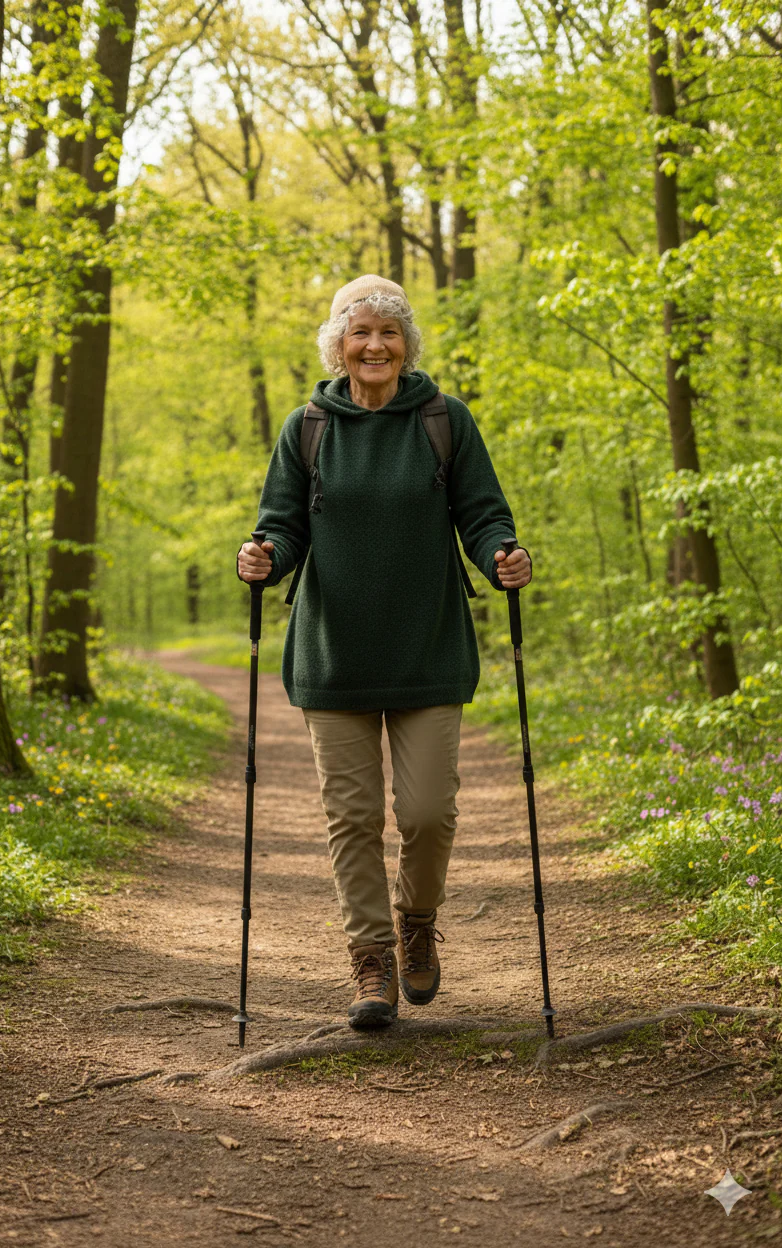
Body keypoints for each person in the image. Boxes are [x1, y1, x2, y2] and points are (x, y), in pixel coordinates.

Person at [237, 274, 531, 1029]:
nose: (374, 345)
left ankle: (416, 922)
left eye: (388, 332)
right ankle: (370, 962)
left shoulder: (443, 421)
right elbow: (283, 521)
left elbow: (482, 514)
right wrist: (265, 551)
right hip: (334, 653)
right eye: (359, 332)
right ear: (338, 343)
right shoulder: (308, 426)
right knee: (353, 816)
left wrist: (502, 553)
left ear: (407, 344)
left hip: (427, 647)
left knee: (429, 813)